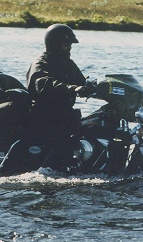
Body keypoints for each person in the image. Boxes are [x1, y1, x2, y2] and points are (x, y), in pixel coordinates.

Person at [26, 23, 92, 171]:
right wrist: (72, 88)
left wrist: (96, 88)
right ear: (54, 44)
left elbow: (81, 81)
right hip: (44, 114)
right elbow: (43, 82)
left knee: (92, 128)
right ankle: (46, 172)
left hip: (63, 113)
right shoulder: (41, 62)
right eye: (66, 43)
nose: (70, 47)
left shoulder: (66, 62)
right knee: (64, 139)